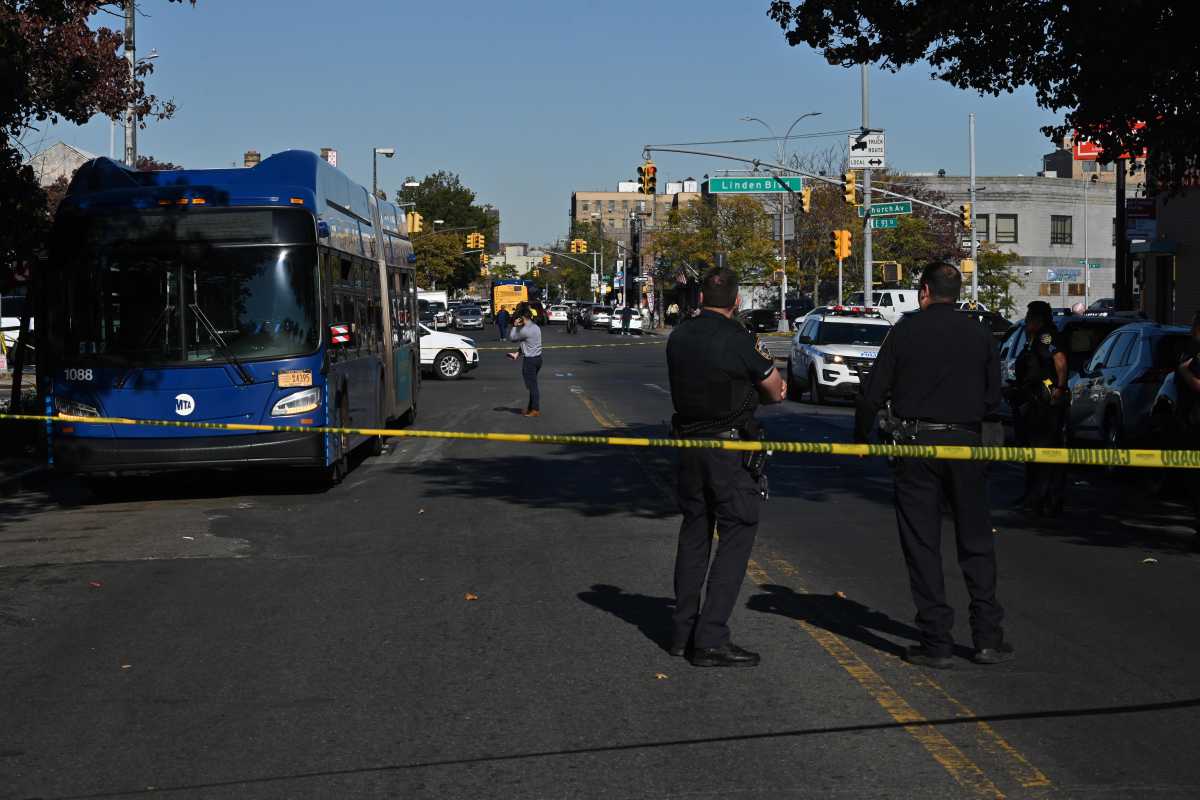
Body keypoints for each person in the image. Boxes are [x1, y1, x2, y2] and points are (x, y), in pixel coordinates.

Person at [855, 262, 1011, 669]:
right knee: (976, 540)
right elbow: (994, 398)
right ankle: (987, 637)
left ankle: (937, 640)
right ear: (956, 291)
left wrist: (860, 438)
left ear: (924, 290)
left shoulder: (905, 330)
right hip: (966, 444)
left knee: (922, 544)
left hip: (917, 446)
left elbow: (873, 393)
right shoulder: (979, 333)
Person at [666, 266, 786, 668]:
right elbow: (775, 391)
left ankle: (682, 634)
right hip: (729, 451)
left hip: (688, 448)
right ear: (736, 302)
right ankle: (711, 639)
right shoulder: (740, 340)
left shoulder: (679, 335)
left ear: (700, 298)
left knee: (694, 532)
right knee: (737, 533)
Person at [1012, 300, 1069, 516]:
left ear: (1038, 319)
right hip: (1035, 401)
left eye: (1029, 318)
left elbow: (1060, 360)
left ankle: (1045, 498)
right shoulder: (1034, 340)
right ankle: (1034, 495)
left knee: (1045, 451)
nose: (1026, 323)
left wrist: (1060, 388)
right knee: (1034, 450)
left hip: (1046, 403)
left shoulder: (1046, 337)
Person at [1176, 311, 1200, 544]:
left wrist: (1185, 373)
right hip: (1190, 418)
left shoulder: (1194, 352)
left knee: (1194, 478)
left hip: (1196, 420)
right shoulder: (1191, 348)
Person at [507, 302, 543, 417]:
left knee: (532, 386)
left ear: (522, 317)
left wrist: (514, 325)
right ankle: (530, 408)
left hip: (530, 361)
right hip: (538, 359)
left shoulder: (524, 330)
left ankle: (535, 410)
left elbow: (512, 338)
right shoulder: (535, 327)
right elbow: (527, 343)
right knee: (533, 384)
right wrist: (517, 353)